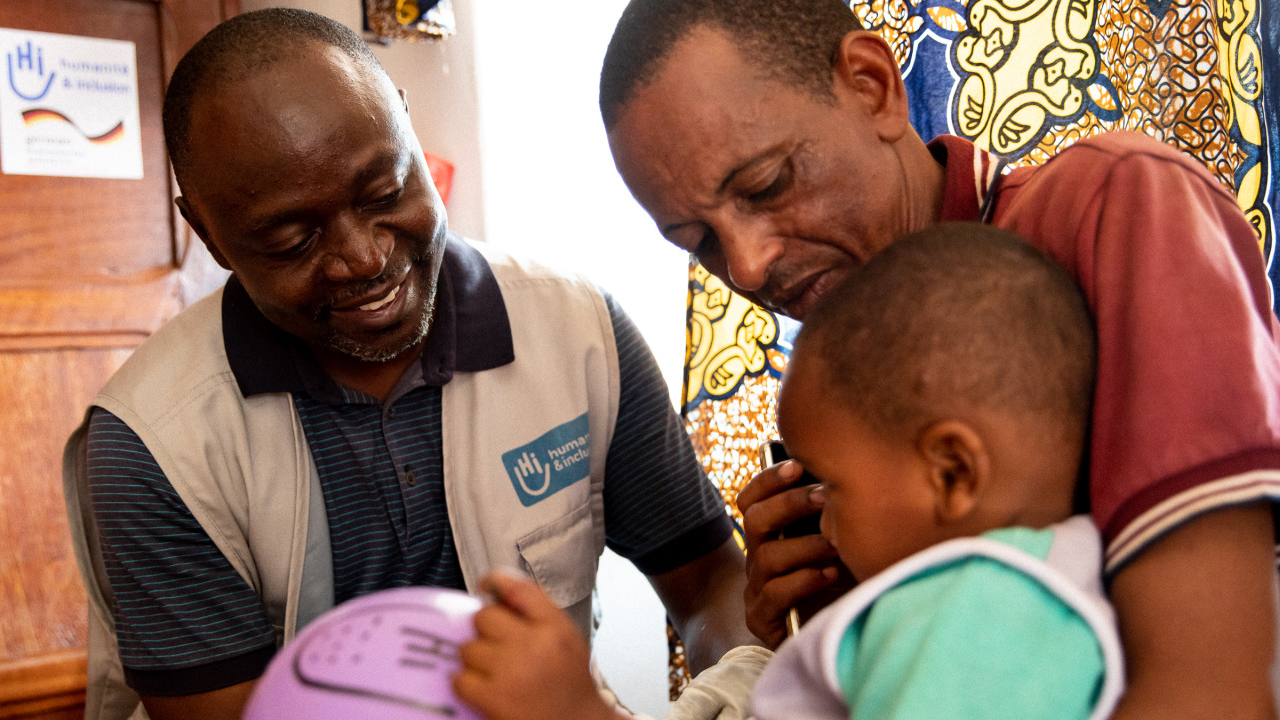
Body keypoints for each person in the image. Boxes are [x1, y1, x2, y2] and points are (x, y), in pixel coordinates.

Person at [61, 9, 755, 720]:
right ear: (208, 232)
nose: (364, 258)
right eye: (294, 239)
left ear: (405, 121)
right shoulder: (152, 444)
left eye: (384, 193)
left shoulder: (581, 332)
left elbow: (708, 588)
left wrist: (734, 692)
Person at [597, 1, 1280, 718]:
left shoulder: (1111, 207)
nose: (745, 265)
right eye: (697, 241)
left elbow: (1214, 690)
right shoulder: (848, 370)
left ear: (871, 85)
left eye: (768, 185)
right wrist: (832, 627)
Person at [451, 223, 1123, 720]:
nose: (819, 513)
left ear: (952, 473)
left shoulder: (966, 622)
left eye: (831, 484)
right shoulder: (1055, 577)